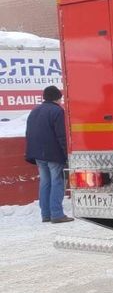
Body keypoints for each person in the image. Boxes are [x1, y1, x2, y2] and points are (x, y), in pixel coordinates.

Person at [24, 85, 72, 224]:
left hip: (38, 154)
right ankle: (57, 214)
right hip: (53, 154)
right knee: (57, 182)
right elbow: (62, 136)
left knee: (45, 182)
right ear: (57, 98)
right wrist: (67, 155)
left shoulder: (35, 110)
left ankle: (45, 214)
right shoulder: (57, 111)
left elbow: (28, 133)